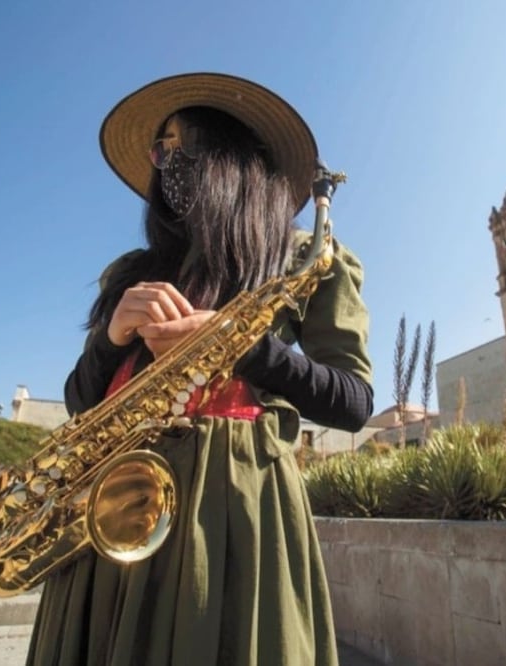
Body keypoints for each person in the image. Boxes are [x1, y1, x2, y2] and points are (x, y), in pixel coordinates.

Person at [26, 73, 373, 666]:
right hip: (109, 498)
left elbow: (353, 401)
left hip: (230, 509)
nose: (166, 161)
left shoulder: (306, 259)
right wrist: (111, 339)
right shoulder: (131, 270)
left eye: (181, 145)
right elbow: (82, 399)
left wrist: (240, 344)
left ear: (231, 155)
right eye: (160, 150)